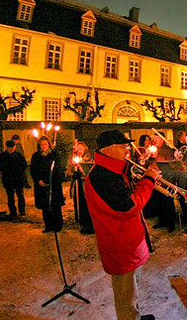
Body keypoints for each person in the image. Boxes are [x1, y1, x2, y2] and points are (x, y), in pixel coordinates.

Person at [85, 129, 160, 320]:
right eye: (123, 147)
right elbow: (129, 207)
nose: (127, 150)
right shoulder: (101, 176)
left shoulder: (113, 169)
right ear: (108, 150)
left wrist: (140, 174)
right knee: (125, 293)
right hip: (118, 243)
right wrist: (149, 180)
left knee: (130, 287)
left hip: (126, 239)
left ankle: (134, 315)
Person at [30, 136, 65, 233]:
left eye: (45, 144)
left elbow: (58, 169)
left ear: (48, 144)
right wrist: (38, 180)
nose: (43, 146)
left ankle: (58, 225)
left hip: (54, 185)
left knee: (55, 205)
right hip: (41, 185)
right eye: (41, 145)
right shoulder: (36, 156)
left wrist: (53, 181)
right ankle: (48, 226)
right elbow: (33, 170)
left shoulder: (54, 155)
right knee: (45, 206)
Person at [65, 141, 95, 234]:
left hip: (86, 184)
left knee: (88, 204)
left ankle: (89, 224)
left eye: (81, 149)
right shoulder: (72, 158)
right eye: (78, 149)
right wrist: (72, 174)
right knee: (79, 203)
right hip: (77, 185)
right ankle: (81, 222)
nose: (79, 151)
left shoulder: (89, 158)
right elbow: (67, 171)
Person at [0, 140, 27, 217]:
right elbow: (1, 166)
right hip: (8, 179)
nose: (11, 149)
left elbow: (24, 165)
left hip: (18, 178)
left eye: (12, 147)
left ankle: (22, 211)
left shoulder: (19, 155)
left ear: (15, 147)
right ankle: (13, 211)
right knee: (10, 196)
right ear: (7, 147)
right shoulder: (3, 156)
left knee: (20, 195)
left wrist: (19, 172)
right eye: (9, 148)